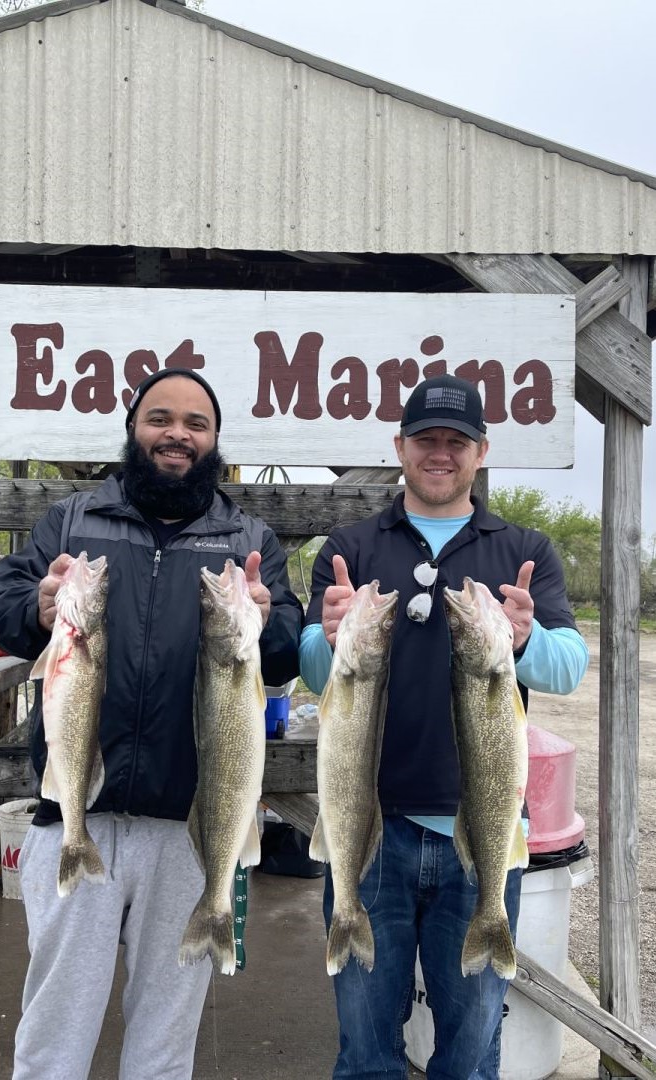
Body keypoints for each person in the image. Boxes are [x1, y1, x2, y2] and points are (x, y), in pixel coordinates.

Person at [0, 368, 302, 1080]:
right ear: (132, 429)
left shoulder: (248, 539)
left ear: (214, 441)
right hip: (74, 816)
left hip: (192, 825)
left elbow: (283, 654)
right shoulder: (70, 521)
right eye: (160, 419)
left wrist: (267, 619)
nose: (176, 435)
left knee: (164, 1036)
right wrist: (35, 603)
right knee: (55, 1028)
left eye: (195, 424)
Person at [300, 373, 589, 1080]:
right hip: (367, 834)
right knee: (365, 1050)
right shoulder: (352, 546)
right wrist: (328, 634)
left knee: (468, 1054)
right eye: (424, 439)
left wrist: (522, 641)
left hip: (481, 836)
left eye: (454, 442)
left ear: (480, 451)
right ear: (398, 447)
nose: (439, 454)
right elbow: (314, 673)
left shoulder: (522, 548)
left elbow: (567, 667)